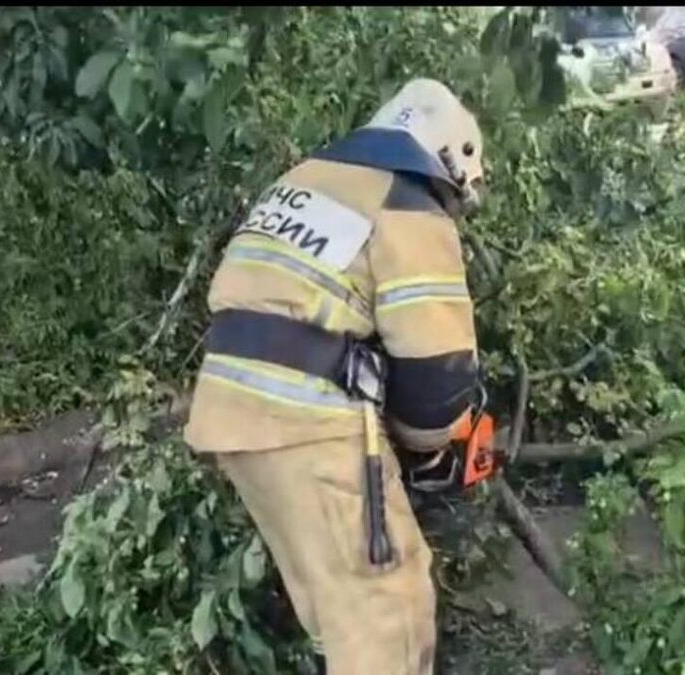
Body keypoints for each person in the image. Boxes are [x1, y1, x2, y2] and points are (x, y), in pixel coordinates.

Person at [183, 78, 486, 675]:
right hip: (305, 428)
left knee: (336, 607)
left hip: (233, 416)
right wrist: (431, 452)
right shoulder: (405, 201)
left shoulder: (305, 180)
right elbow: (437, 366)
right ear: (449, 161)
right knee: (386, 611)